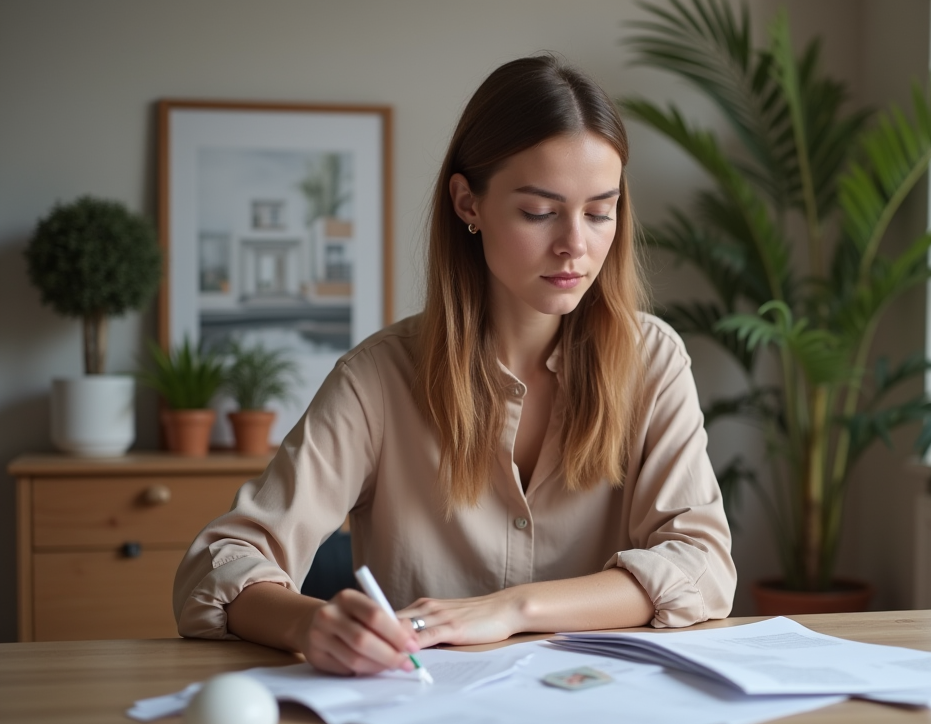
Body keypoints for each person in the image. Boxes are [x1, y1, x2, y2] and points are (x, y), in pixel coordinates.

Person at [173, 55, 736, 677]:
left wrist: (513, 608)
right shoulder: (379, 379)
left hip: (601, 714)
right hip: (421, 718)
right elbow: (220, 562)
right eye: (539, 211)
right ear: (469, 203)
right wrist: (313, 624)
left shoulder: (652, 360)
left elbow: (703, 565)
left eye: (600, 212)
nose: (575, 245)